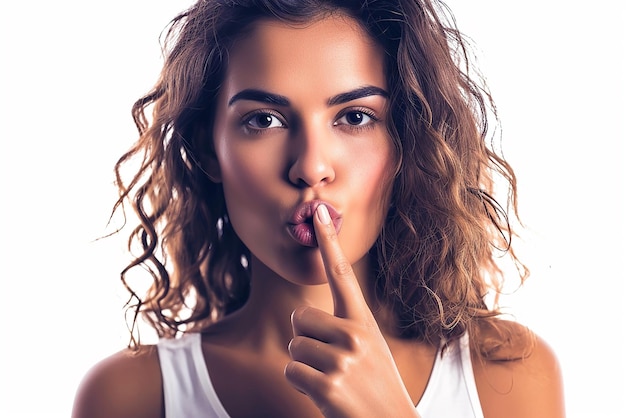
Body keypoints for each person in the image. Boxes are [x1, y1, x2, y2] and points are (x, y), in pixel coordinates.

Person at [72, 0, 565, 417]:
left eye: (355, 117)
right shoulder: (130, 397)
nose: (310, 167)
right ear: (207, 148)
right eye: (263, 120)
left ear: (406, 141)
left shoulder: (508, 376)